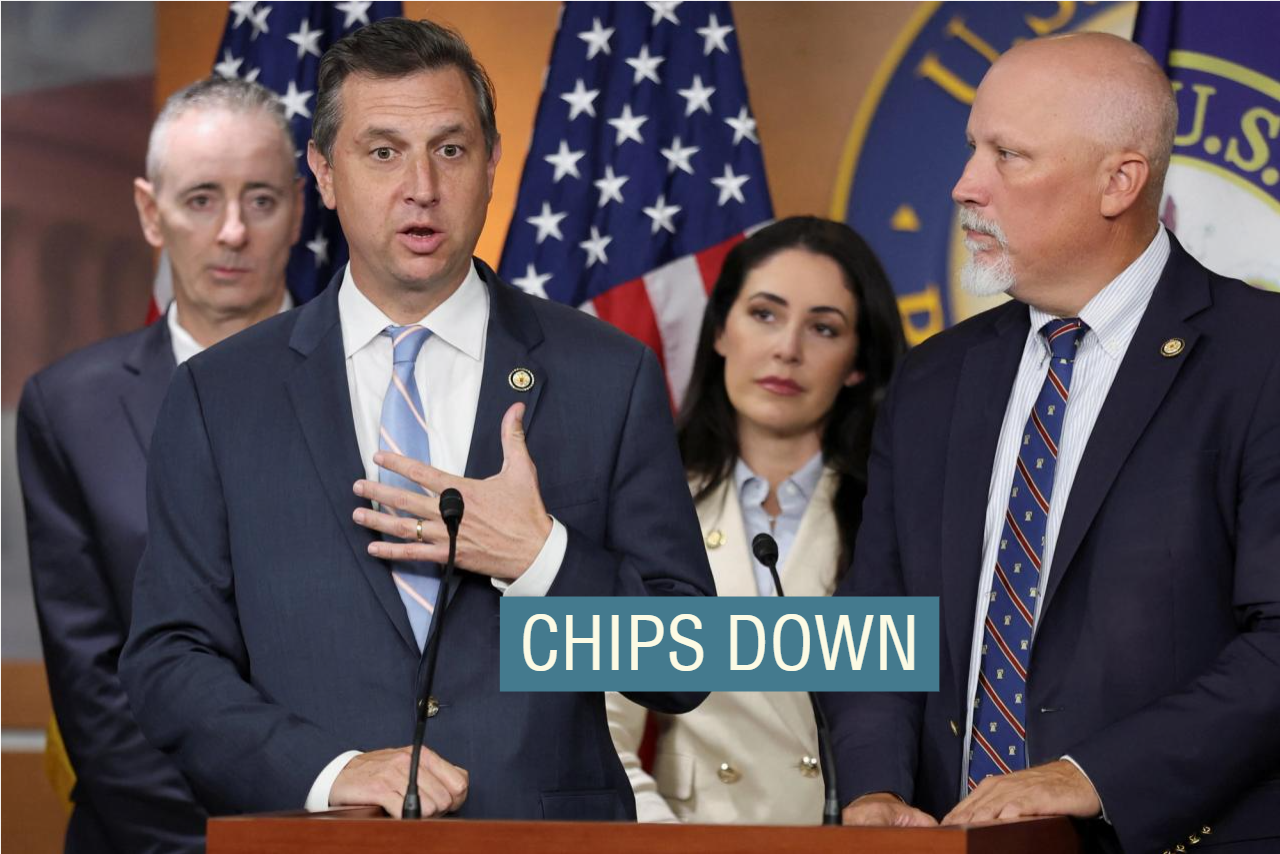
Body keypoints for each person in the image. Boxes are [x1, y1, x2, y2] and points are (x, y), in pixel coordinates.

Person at [119, 17, 714, 824]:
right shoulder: (218, 397)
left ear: (492, 164)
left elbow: (685, 662)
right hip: (323, 843)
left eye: (451, 149)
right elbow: (168, 660)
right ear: (324, 175)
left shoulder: (607, 374)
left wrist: (540, 559)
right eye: (383, 152)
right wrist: (330, 773)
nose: (422, 186)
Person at [822, 32, 1280, 853]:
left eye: (1010, 156)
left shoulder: (1262, 359)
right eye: (973, 149)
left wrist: (1094, 775)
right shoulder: (933, 381)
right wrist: (873, 789)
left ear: (1119, 181)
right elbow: (878, 624)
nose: (965, 185)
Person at [16, 76, 302, 854]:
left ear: (301, 209)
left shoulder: (384, 382)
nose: (234, 232)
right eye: (202, 199)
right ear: (151, 211)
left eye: (263, 200)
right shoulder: (68, 408)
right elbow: (93, 684)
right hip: (143, 837)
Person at [605, 217, 905, 824]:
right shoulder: (646, 506)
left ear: (856, 362)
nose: (786, 349)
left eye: (823, 328)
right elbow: (601, 732)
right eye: (764, 314)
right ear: (720, 330)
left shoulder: (897, 513)